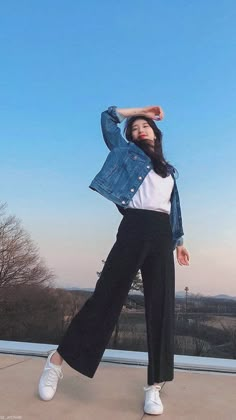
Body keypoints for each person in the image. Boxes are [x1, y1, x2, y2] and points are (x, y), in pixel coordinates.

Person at [38, 105, 190, 416]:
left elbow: (173, 207)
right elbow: (108, 119)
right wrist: (141, 110)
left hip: (162, 235)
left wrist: (180, 242)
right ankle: (56, 361)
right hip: (134, 227)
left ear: (155, 133)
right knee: (106, 297)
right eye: (134, 129)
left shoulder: (169, 170)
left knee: (161, 307)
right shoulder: (125, 153)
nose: (138, 130)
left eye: (144, 126)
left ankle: (155, 386)